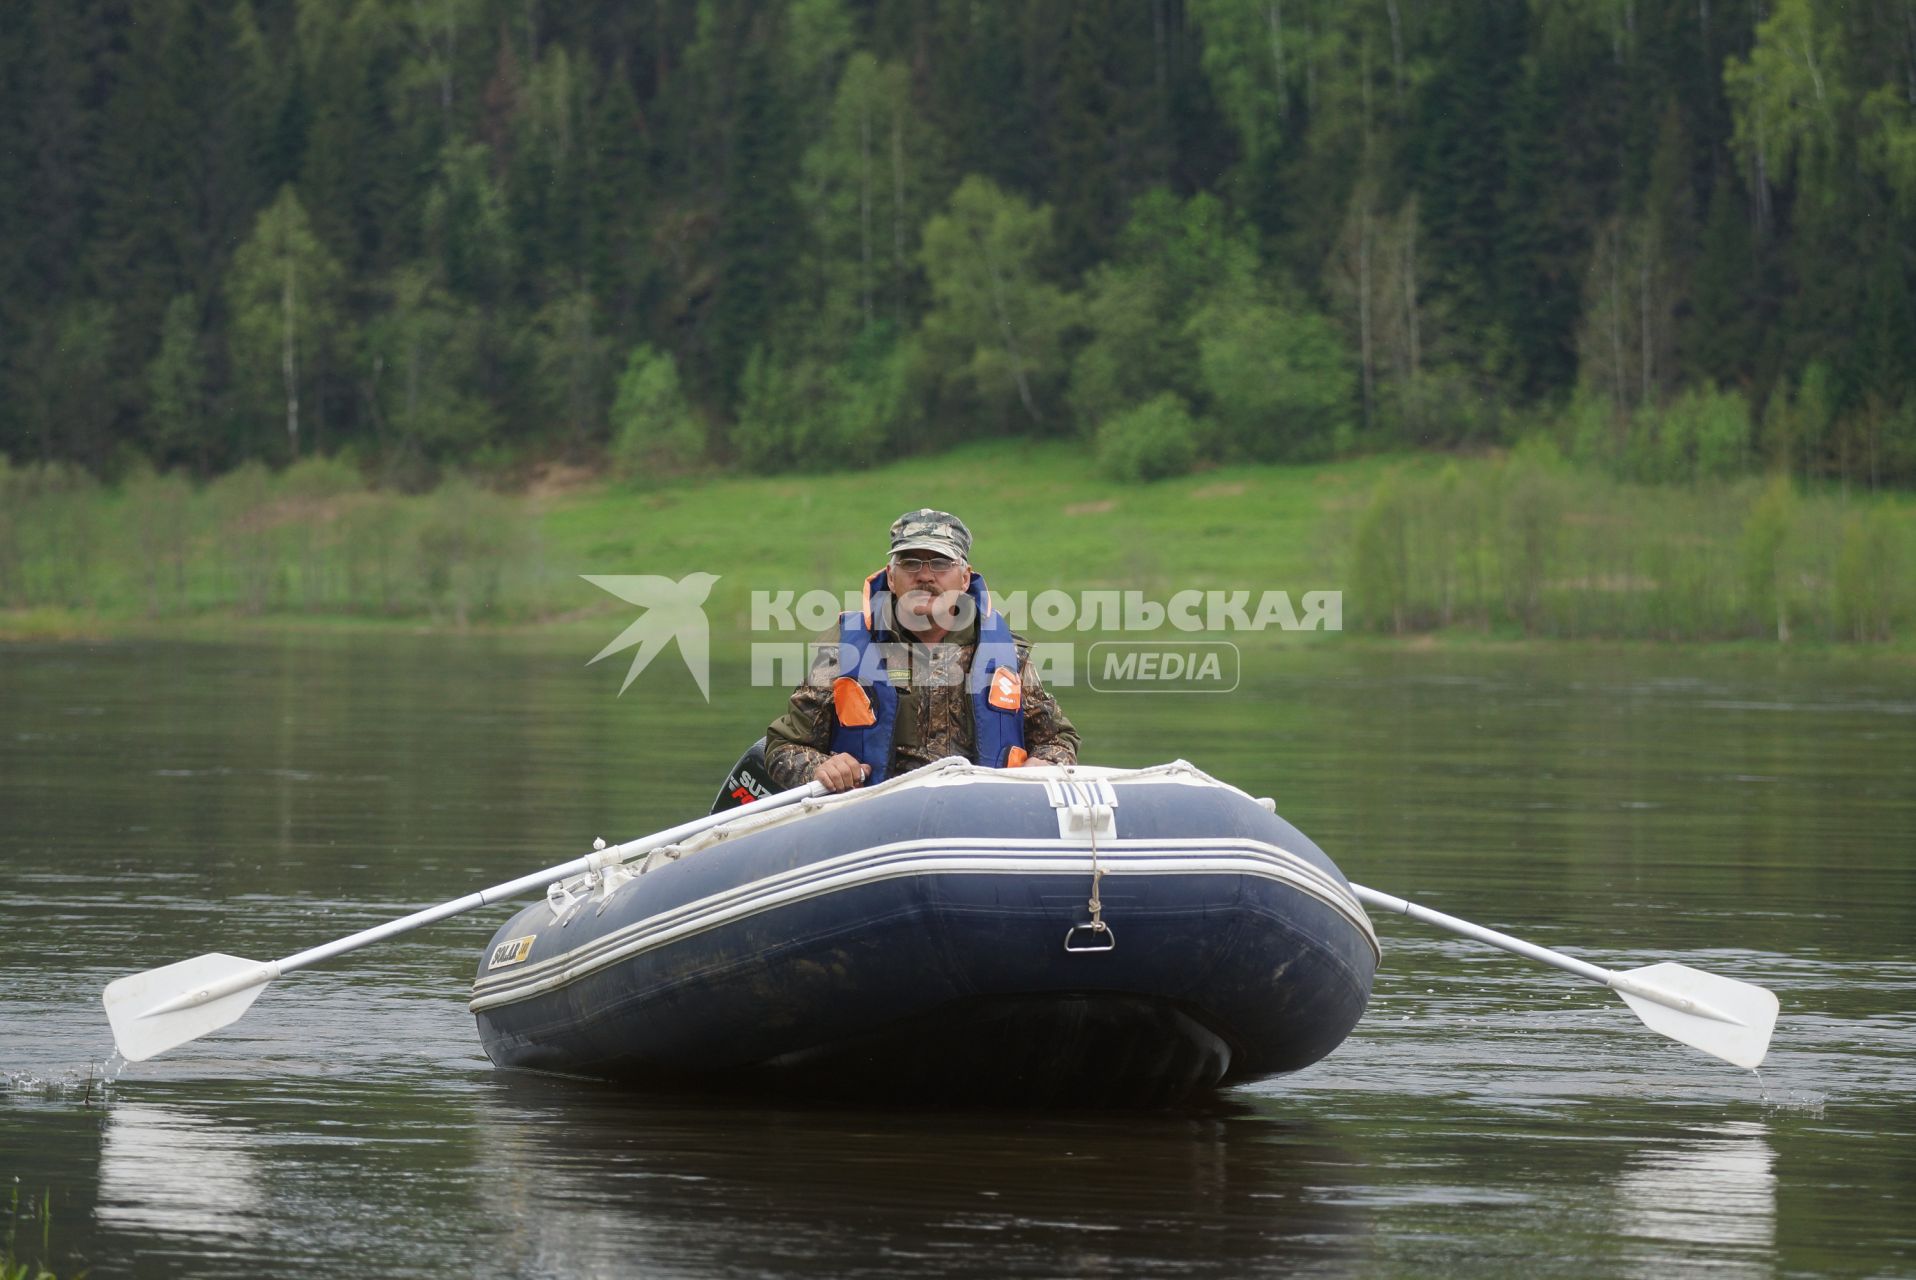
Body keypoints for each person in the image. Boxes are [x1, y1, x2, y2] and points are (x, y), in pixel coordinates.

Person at [765, 509, 1079, 792]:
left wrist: (1046, 764)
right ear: (891, 576)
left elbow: (1058, 741)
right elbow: (783, 747)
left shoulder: (1010, 654)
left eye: (941, 563)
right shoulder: (842, 648)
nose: (925, 575)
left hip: (980, 814)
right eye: (909, 562)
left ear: (965, 577)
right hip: (874, 820)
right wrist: (821, 768)